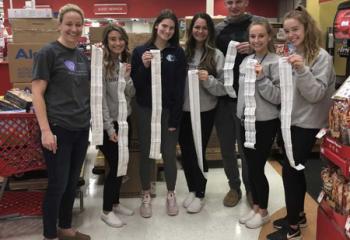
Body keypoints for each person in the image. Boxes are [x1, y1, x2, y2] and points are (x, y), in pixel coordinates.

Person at [266, 6, 335, 240]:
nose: (290, 34)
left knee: (291, 171)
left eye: (295, 29)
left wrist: (301, 69)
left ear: (306, 28)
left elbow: (315, 94)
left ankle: (293, 228)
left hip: (308, 123)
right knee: (294, 170)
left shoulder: (321, 57)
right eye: (286, 31)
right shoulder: (292, 53)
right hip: (292, 121)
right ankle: (298, 215)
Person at [32, 4, 91, 240]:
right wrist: (45, 131)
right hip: (58, 128)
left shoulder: (81, 56)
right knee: (58, 184)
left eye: (78, 24)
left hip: (80, 127)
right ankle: (49, 234)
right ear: (59, 25)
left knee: (72, 183)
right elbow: (37, 93)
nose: (74, 29)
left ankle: (65, 227)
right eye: (69, 24)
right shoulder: (48, 53)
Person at [130, 9, 187, 218]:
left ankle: (171, 194)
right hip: (145, 110)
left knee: (169, 154)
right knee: (147, 153)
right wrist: (144, 66)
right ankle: (145, 194)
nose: (167, 31)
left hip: (169, 111)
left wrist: (175, 117)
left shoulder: (178, 53)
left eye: (172, 28)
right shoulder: (139, 51)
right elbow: (134, 84)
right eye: (164, 26)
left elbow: (180, 88)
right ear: (156, 26)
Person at [179, 13, 226, 213]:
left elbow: (224, 87)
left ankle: (200, 193)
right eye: (196, 27)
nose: (200, 31)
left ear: (210, 31)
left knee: (199, 151)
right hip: (183, 111)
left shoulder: (216, 55)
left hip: (205, 111)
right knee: (187, 152)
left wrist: (208, 80)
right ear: (191, 30)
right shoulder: (182, 52)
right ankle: (192, 188)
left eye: (204, 28)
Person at [215, 0, 260, 207]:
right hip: (223, 98)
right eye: (230, 2)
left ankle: (251, 188)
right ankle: (234, 187)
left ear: (246, 2)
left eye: (238, 1)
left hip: (249, 96)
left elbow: (272, 51)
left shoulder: (257, 24)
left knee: (246, 148)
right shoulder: (218, 30)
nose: (234, 6)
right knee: (226, 147)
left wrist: (254, 47)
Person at [237, 19, 280, 229]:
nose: (256, 40)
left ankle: (263, 212)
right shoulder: (246, 61)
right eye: (253, 36)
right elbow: (242, 94)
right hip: (245, 121)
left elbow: (279, 97)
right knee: (250, 167)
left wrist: (262, 78)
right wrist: (239, 115)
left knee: (257, 167)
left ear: (269, 36)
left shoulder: (275, 62)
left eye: (261, 36)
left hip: (264, 122)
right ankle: (255, 206)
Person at [99, 25, 135, 228]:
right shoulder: (101, 66)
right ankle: (106, 210)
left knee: (123, 164)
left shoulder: (124, 62)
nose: (117, 43)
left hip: (124, 121)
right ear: (106, 42)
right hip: (109, 125)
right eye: (113, 39)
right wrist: (109, 128)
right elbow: (100, 100)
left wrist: (127, 78)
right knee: (115, 167)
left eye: (120, 39)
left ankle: (115, 202)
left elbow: (131, 94)